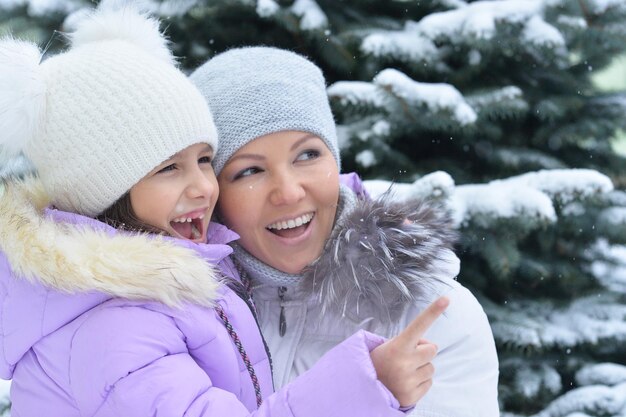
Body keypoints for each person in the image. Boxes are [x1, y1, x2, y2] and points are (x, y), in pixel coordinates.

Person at [0, 9, 449, 417]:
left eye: (203, 159)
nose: (202, 185)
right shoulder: (115, 327)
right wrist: (368, 384)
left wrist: (371, 235)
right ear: (105, 193)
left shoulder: (165, 278)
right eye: (169, 168)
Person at [191, 46, 501, 417]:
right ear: (215, 195)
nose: (289, 192)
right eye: (249, 171)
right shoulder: (181, 322)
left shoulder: (430, 316)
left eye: (307, 155)